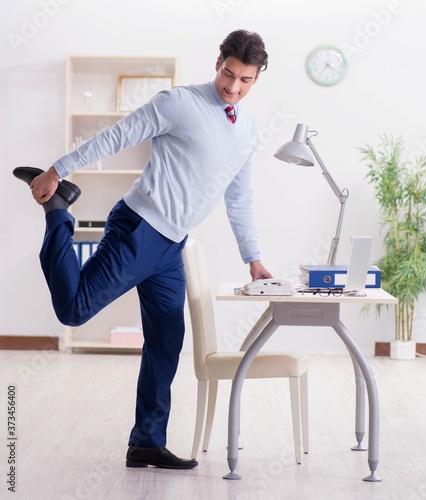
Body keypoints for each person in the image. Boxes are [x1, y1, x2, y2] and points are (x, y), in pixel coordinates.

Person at [13, 29, 272, 470]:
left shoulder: (247, 130)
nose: (234, 87)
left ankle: (146, 442)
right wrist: (58, 170)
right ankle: (58, 212)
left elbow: (239, 197)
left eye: (245, 80)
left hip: (173, 246)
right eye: (229, 74)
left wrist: (254, 259)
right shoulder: (179, 103)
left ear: (256, 79)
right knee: (74, 311)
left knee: (166, 343)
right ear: (217, 62)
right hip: (140, 228)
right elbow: (120, 134)